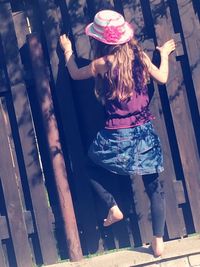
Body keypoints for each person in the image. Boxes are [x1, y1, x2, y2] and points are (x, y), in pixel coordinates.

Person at [59, 9, 175, 257]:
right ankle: (158, 243)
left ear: (100, 41)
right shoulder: (140, 57)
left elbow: (75, 73)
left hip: (116, 134)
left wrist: (68, 51)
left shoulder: (103, 64)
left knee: (89, 167)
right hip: (144, 132)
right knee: (155, 187)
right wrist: (163, 54)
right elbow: (163, 78)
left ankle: (113, 207)